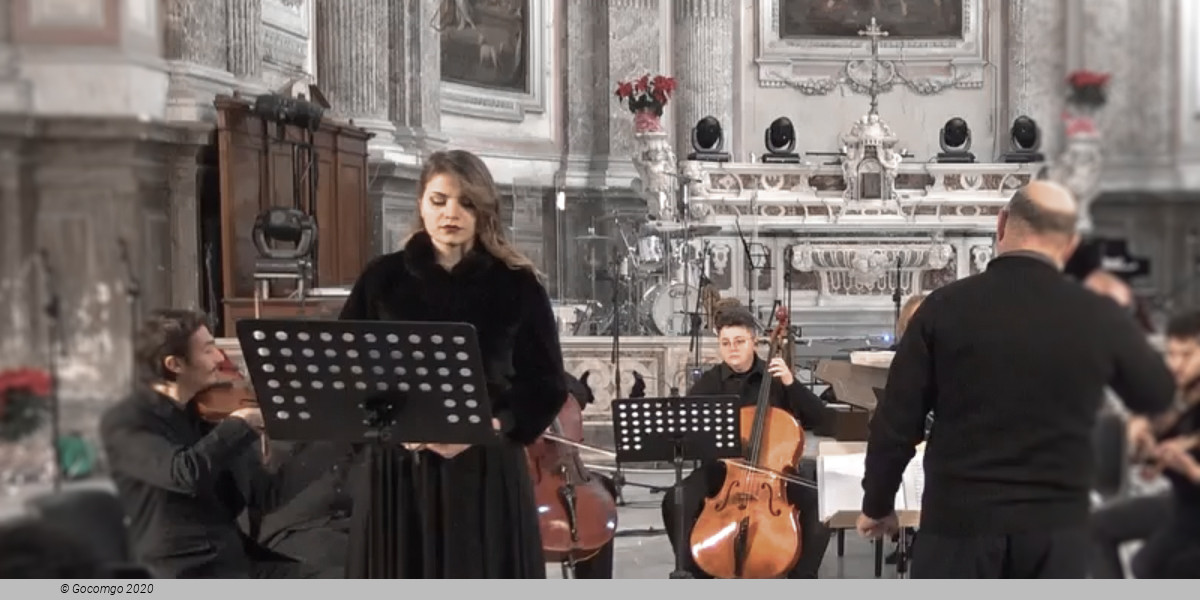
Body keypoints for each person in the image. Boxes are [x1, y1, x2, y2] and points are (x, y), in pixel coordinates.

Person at [856, 181, 1177, 578]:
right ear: (1071, 244)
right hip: (1058, 532)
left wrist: (877, 505)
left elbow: (896, 423)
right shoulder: (1096, 313)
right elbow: (1157, 393)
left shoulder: (942, 308)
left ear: (1002, 223)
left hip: (959, 527)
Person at [339, 149, 567, 578]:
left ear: (484, 212)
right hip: (399, 470)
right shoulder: (382, 279)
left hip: (486, 467)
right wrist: (392, 427)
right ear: (421, 204)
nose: (451, 214)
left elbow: (547, 382)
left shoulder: (517, 284)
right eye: (439, 200)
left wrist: (492, 425)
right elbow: (349, 369)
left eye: (466, 203)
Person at [100, 309, 314, 578]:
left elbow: (264, 495)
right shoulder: (127, 421)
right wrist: (240, 424)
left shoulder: (201, 411)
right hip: (183, 570)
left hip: (231, 557)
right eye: (208, 350)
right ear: (175, 364)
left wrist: (325, 441)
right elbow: (185, 473)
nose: (220, 358)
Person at [660, 302, 830, 578]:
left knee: (820, 504)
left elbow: (822, 419)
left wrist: (791, 383)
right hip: (722, 473)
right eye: (725, 343)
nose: (733, 348)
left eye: (739, 341)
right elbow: (685, 428)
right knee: (675, 499)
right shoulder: (710, 383)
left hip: (773, 475)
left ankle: (802, 578)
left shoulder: (776, 377)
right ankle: (695, 573)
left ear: (755, 341)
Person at [1127, 309, 1200, 578]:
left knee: (1159, 567)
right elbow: (1145, 459)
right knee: (1098, 529)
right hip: (1184, 505)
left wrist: (1190, 469)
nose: (1176, 365)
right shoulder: (1176, 398)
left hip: (1191, 510)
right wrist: (1141, 440)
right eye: (1171, 354)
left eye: (1187, 355)